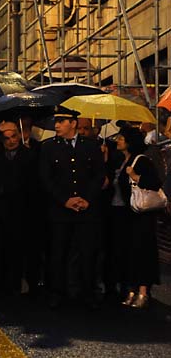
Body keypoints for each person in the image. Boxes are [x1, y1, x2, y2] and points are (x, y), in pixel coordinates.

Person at [39, 105, 105, 310]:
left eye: (61, 121)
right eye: (56, 121)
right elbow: (46, 178)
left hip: (86, 209)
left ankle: (87, 293)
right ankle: (57, 292)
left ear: (73, 123)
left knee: (87, 253)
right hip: (61, 210)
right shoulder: (49, 147)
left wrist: (87, 199)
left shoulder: (90, 146)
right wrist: (65, 200)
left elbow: (98, 175)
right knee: (58, 252)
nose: (57, 125)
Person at [0, 122, 37, 294]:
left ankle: (14, 284)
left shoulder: (29, 155)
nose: (11, 141)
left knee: (17, 250)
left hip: (20, 210)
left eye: (13, 136)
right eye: (6, 138)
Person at [112, 127, 162, 309]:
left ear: (130, 141)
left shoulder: (141, 161)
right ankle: (131, 289)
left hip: (141, 217)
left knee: (142, 252)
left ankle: (142, 291)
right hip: (126, 215)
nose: (118, 140)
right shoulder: (121, 160)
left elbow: (155, 183)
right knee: (129, 252)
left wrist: (135, 176)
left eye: (121, 138)